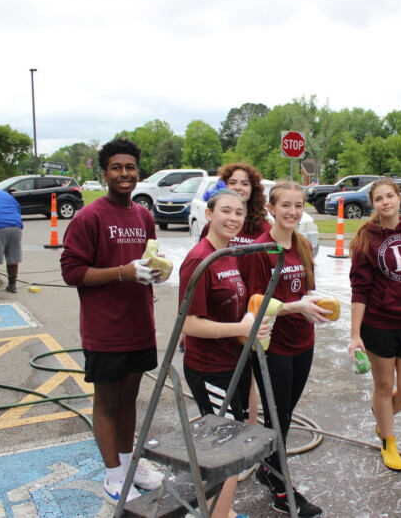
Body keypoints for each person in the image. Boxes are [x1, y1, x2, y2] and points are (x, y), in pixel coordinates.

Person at [60, 138, 164, 505]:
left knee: (130, 399)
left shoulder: (143, 216)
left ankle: (128, 464)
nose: (125, 173)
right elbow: (71, 271)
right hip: (105, 329)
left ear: (138, 172)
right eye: (117, 168)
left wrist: (155, 273)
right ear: (104, 173)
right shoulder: (90, 217)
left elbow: (146, 261)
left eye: (131, 167)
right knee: (106, 402)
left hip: (140, 324)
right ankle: (113, 476)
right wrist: (121, 272)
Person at [239, 181, 330, 518]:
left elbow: (307, 289)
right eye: (285, 205)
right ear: (271, 209)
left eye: (298, 205)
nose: (292, 212)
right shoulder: (260, 249)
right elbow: (255, 304)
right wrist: (297, 307)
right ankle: (280, 488)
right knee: (277, 416)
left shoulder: (303, 243)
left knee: (286, 413)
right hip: (271, 346)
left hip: (302, 341)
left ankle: (267, 467)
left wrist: (317, 306)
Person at [179, 188, 270, 518]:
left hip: (232, 363)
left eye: (239, 213)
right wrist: (239, 330)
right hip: (210, 369)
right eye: (226, 211)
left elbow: (235, 311)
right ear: (209, 215)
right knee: (227, 451)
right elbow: (189, 324)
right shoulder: (199, 260)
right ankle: (217, 515)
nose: (233, 218)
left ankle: (221, 511)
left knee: (229, 445)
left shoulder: (228, 254)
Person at [346, 178, 401, 471]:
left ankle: (382, 418)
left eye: (389, 196)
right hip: (379, 323)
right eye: (379, 198)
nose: (385, 202)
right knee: (384, 386)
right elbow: (360, 289)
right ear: (373, 204)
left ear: (399, 199)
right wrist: (355, 334)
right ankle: (389, 441)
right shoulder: (365, 238)